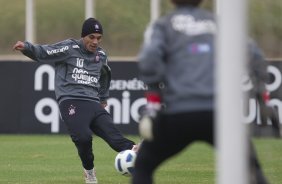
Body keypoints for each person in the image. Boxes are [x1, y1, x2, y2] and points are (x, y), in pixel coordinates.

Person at [132, 0, 269, 184]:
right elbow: (255, 55)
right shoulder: (219, 23)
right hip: (219, 117)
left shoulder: (163, 25)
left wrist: (154, 100)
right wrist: (263, 95)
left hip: (179, 114)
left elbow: (149, 58)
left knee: (142, 166)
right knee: (251, 169)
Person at [13, 17, 138, 184]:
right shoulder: (69, 48)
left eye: (99, 38)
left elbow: (105, 75)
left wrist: (103, 97)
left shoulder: (101, 55)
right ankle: (90, 172)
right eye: (91, 37)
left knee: (116, 140)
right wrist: (26, 47)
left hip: (93, 103)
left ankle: (140, 152)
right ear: (83, 36)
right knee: (83, 137)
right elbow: (44, 51)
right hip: (71, 101)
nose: (95, 42)